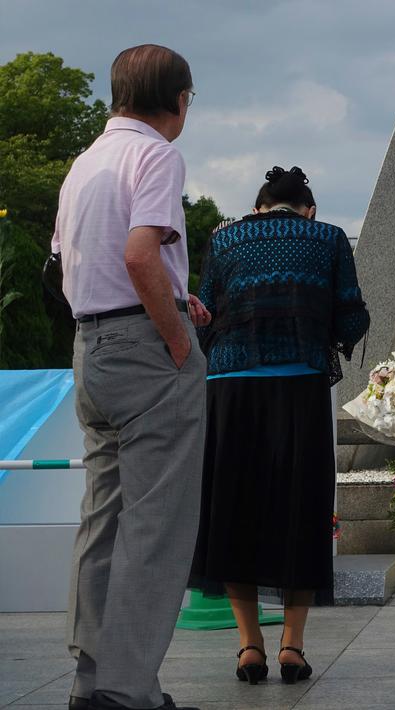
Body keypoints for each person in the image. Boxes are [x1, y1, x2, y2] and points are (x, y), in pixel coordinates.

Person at [52, 44, 206, 710]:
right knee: (156, 524)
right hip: (146, 352)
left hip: (91, 346)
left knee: (104, 517)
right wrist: (175, 335)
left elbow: (70, 263)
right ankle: (129, 690)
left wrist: (174, 297)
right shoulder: (156, 154)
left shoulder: (85, 163)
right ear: (178, 101)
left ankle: (91, 680)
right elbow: (141, 252)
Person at [189, 166, 369, 685]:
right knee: (300, 509)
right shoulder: (329, 238)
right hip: (299, 389)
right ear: (307, 210)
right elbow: (350, 316)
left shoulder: (224, 238)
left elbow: (207, 309)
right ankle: (293, 646)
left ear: (259, 206)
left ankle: (249, 647)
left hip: (233, 390)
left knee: (235, 510)